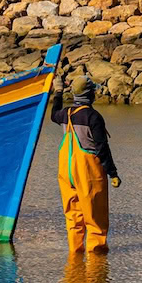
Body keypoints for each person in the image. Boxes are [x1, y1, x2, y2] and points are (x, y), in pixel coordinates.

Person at [52, 77, 120, 254]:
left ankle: (75, 259)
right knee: (95, 217)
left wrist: (58, 92)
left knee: (73, 216)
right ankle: (96, 264)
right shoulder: (93, 117)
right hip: (87, 172)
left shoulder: (65, 114)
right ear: (91, 95)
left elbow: (53, 114)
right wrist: (113, 173)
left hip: (66, 172)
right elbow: (102, 148)